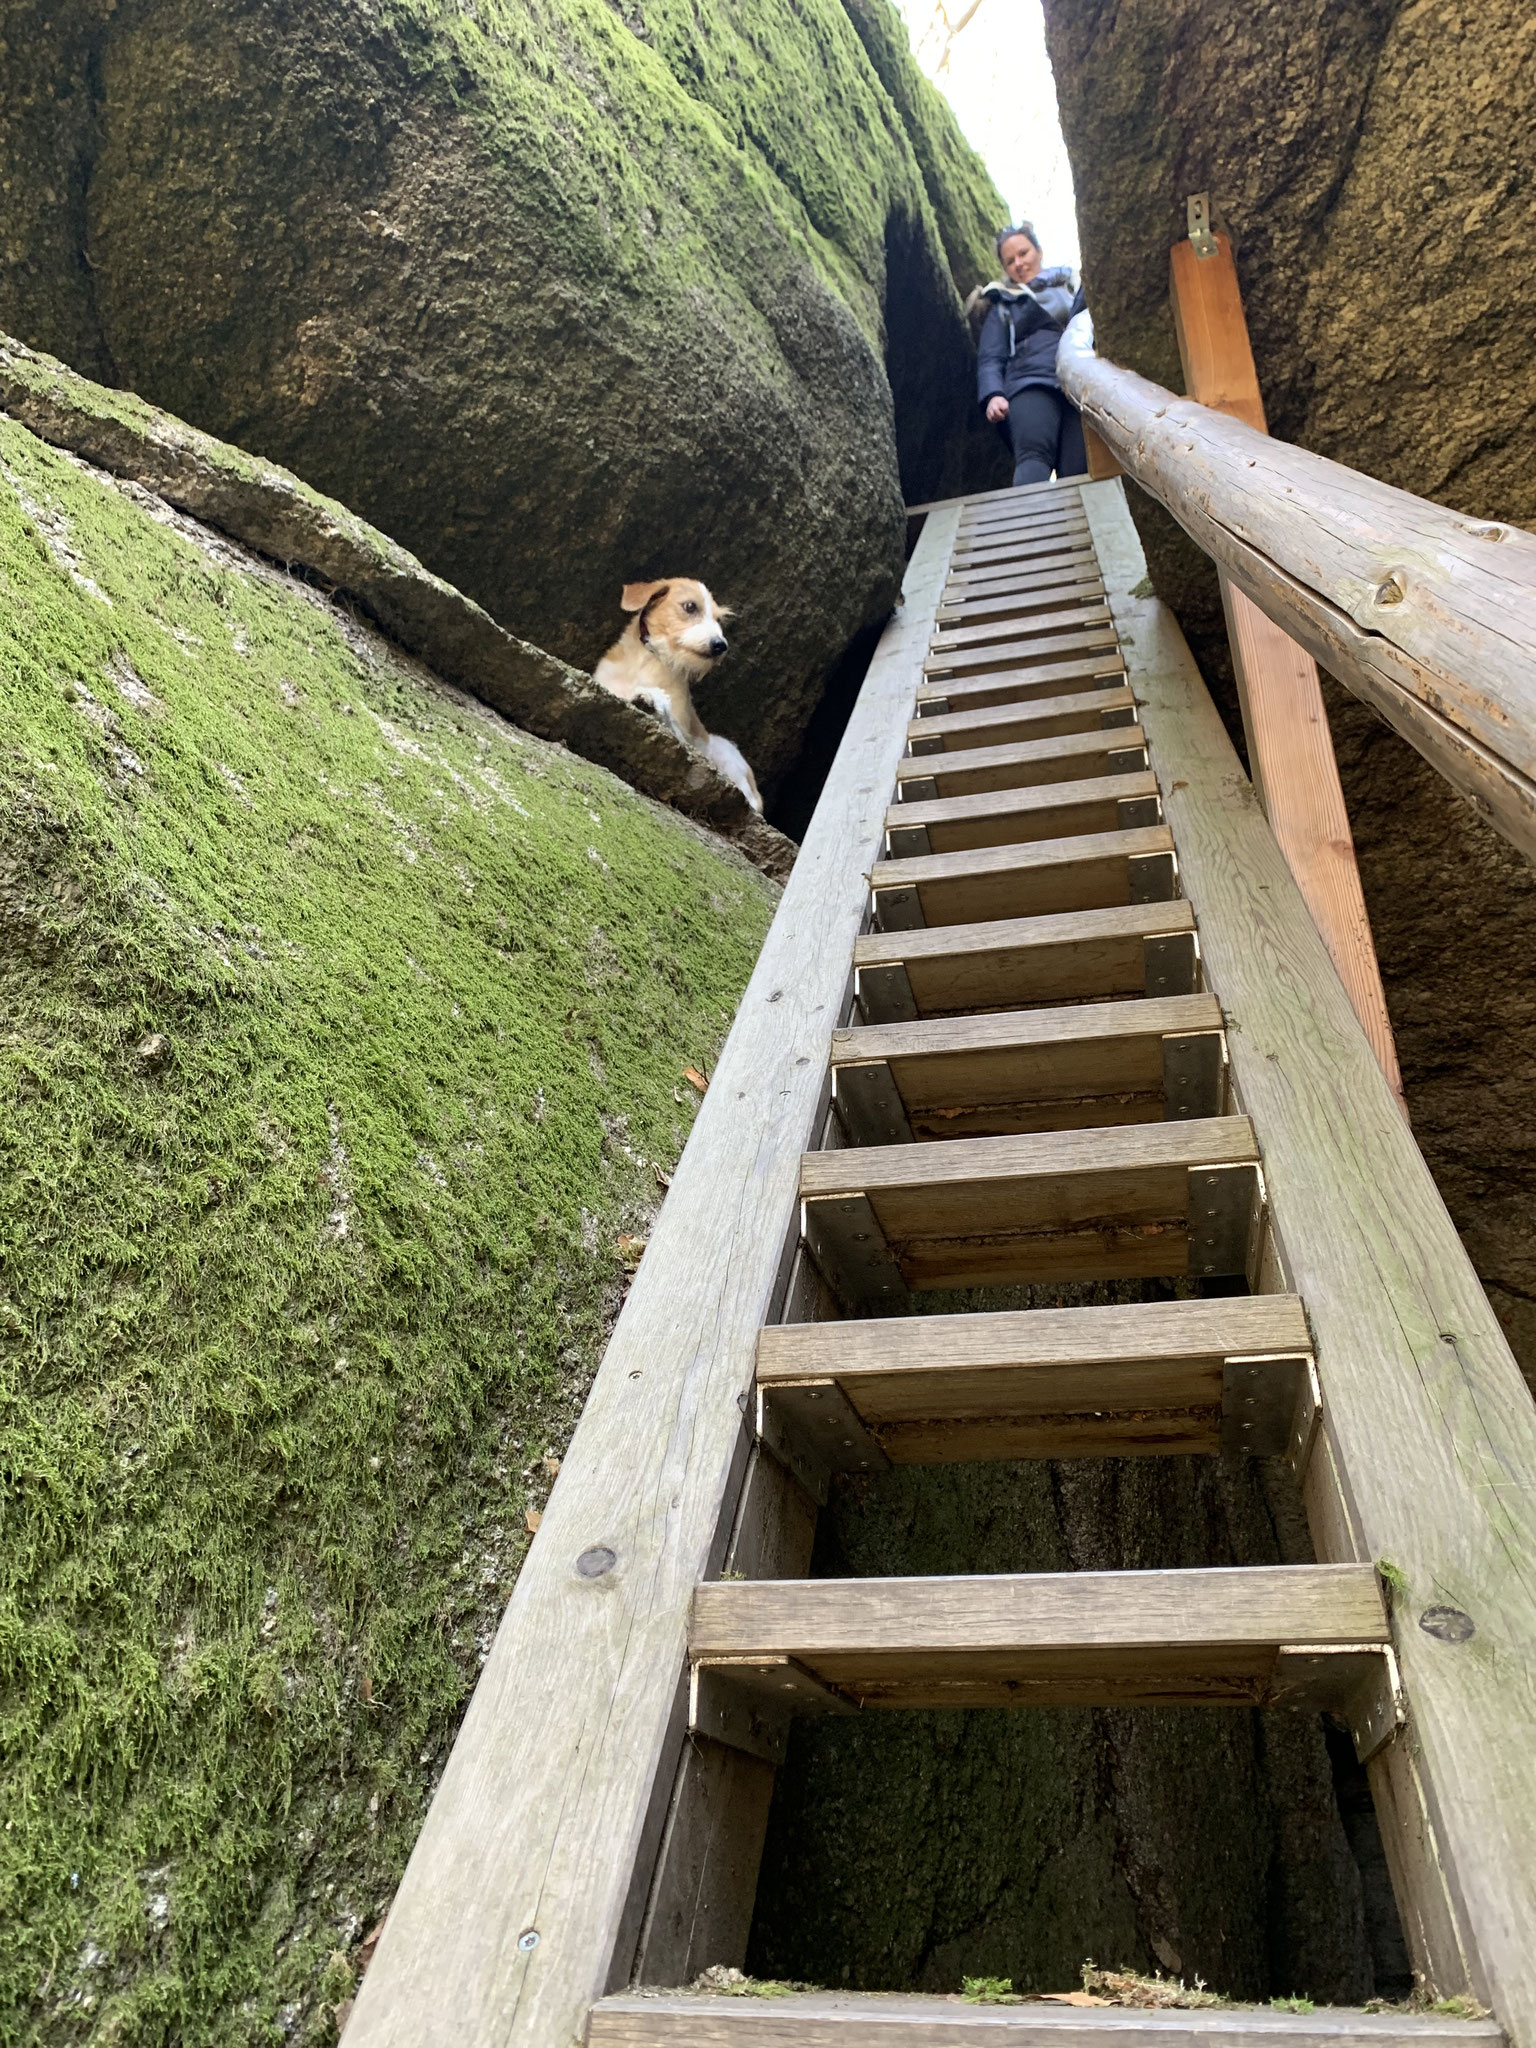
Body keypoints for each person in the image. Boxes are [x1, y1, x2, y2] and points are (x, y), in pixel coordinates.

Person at [976, 223, 1087, 487]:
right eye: (1010, 261)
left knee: (1080, 469)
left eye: (1023, 253)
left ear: (1038, 251)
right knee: (1035, 457)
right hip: (1030, 382)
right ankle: (1027, 527)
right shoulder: (1004, 302)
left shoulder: (1072, 286)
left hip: (1079, 381)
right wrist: (993, 394)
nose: (1018, 263)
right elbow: (990, 356)